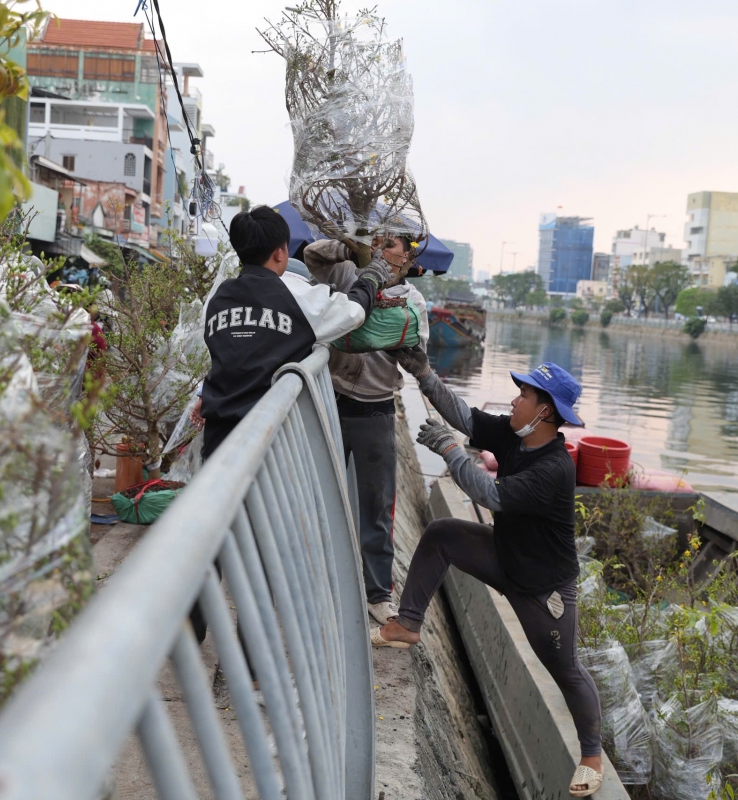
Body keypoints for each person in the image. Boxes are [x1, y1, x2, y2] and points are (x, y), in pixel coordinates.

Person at [377, 352, 605, 798]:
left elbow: (490, 494)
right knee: (442, 535)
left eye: (524, 395)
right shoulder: (515, 436)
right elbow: (465, 417)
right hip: (504, 555)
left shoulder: (554, 468)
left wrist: (449, 450)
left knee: (565, 669)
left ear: (544, 411)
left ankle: (592, 755)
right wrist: (424, 373)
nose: (515, 401)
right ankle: (407, 624)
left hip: (542, 588)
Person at [303, 235, 429, 626]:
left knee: (377, 507)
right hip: (332, 399)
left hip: (376, 409)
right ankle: (308, 580)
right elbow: (312, 256)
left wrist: (378, 326)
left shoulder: (413, 301)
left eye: (390, 243)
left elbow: (416, 345)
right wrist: (348, 248)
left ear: (407, 257)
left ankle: (378, 594)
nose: (380, 248)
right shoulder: (348, 275)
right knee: (316, 494)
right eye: (376, 240)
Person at [198, 204, 391, 459]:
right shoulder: (297, 295)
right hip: (268, 441)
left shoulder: (219, 298)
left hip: (217, 438)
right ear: (280, 253)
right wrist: (371, 279)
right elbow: (353, 311)